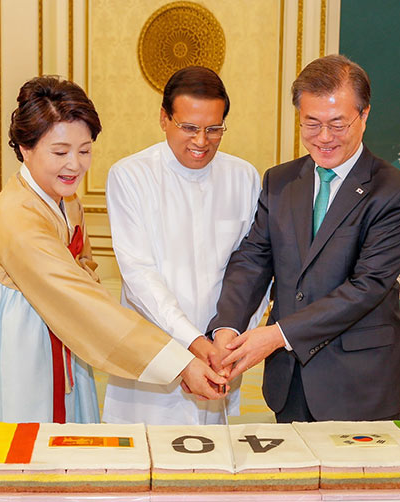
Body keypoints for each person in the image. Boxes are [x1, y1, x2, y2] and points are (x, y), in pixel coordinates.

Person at [0, 76, 226, 502]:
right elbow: (82, 303)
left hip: (45, 327)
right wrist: (179, 363)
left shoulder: (64, 197)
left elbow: (84, 273)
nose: (74, 165)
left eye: (84, 151)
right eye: (60, 152)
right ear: (25, 148)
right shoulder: (15, 217)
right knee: (1, 436)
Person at [209, 54, 400, 423]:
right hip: (289, 381)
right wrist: (227, 326)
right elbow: (253, 259)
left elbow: (367, 287)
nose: (324, 138)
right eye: (312, 123)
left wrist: (277, 335)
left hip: (361, 383)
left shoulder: (395, 192)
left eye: (338, 124)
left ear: (365, 114)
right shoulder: (280, 181)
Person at [103, 66, 268, 425]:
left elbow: (254, 268)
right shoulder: (130, 175)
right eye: (189, 128)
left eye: (214, 129)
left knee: (211, 468)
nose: (201, 141)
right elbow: (139, 276)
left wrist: (233, 341)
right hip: (154, 352)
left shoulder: (244, 177)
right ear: (164, 118)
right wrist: (193, 343)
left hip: (219, 357)